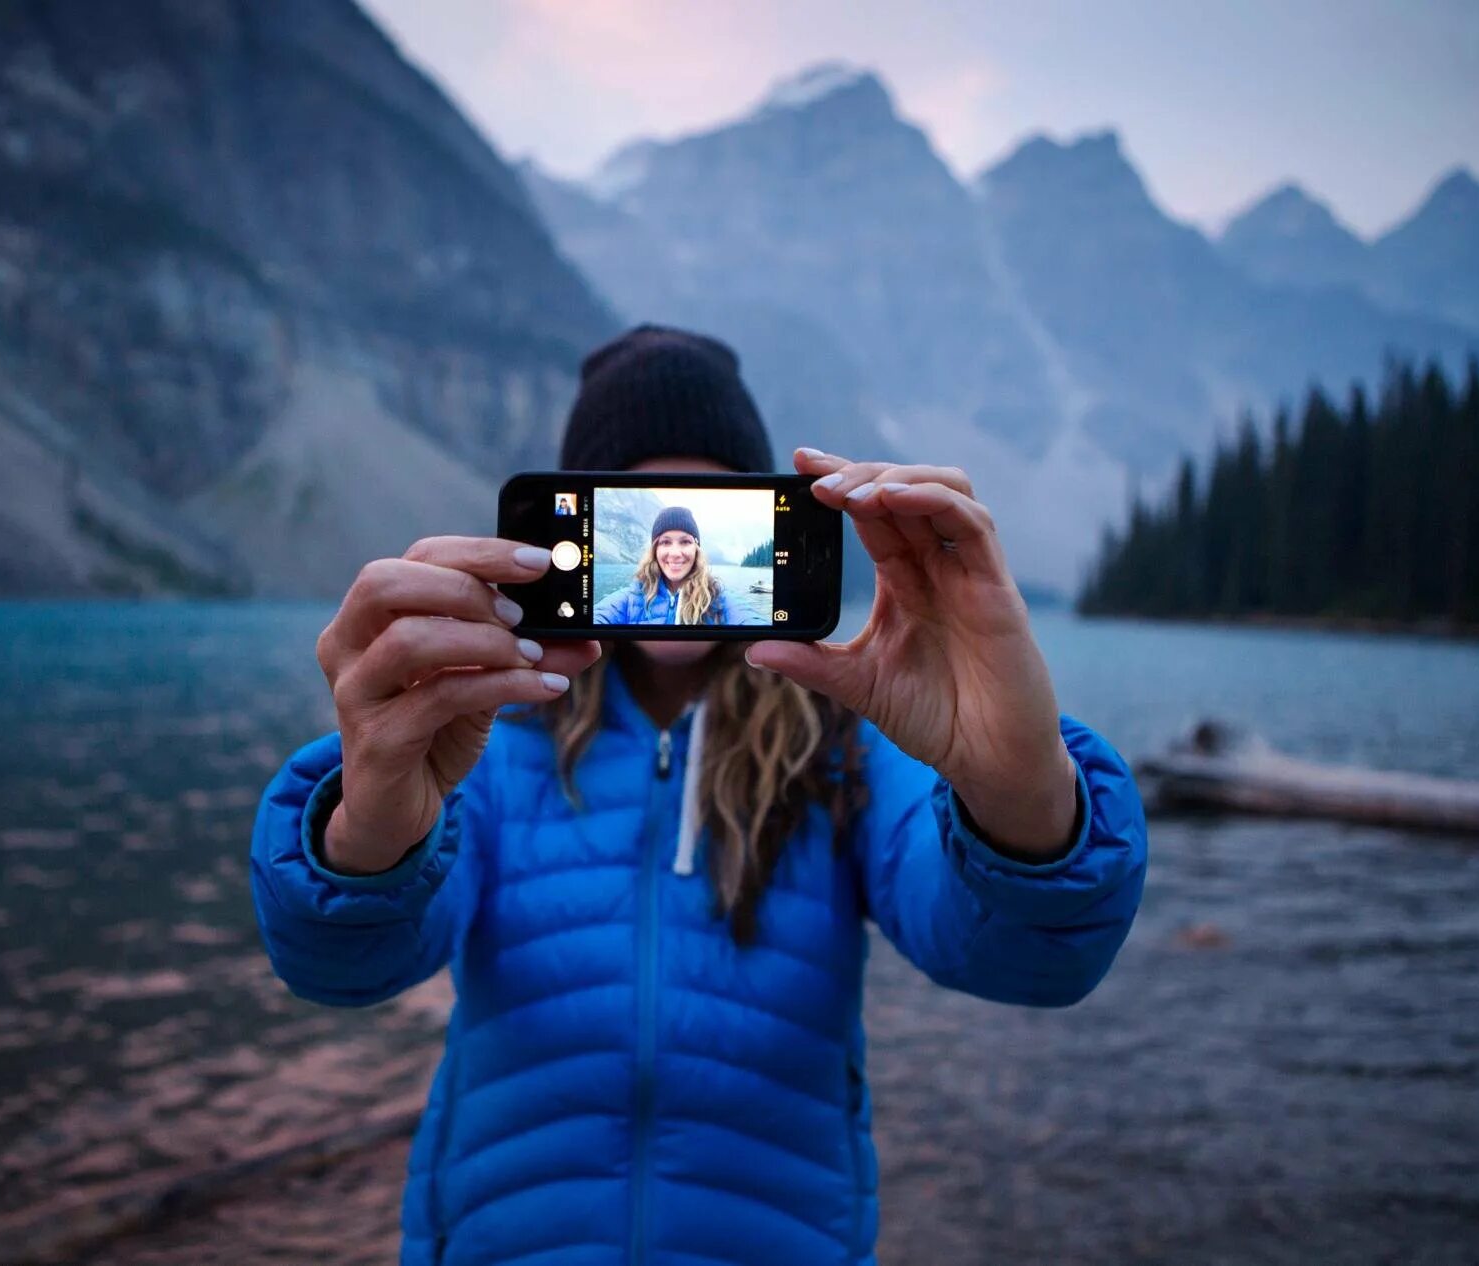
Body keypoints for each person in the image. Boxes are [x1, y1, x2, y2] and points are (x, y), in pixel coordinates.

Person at [250, 324, 1148, 1265]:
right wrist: (369, 829)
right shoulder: (488, 732)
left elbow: (1029, 967)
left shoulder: (843, 749)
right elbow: (342, 970)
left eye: (704, 519)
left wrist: (1020, 791)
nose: (677, 546)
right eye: (643, 516)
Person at [593, 504, 767, 626]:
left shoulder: (717, 598)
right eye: (665, 542)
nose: (675, 553)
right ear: (654, 550)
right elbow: (596, 618)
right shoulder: (630, 598)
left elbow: (750, 619)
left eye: (685, 542)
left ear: (696, 549)